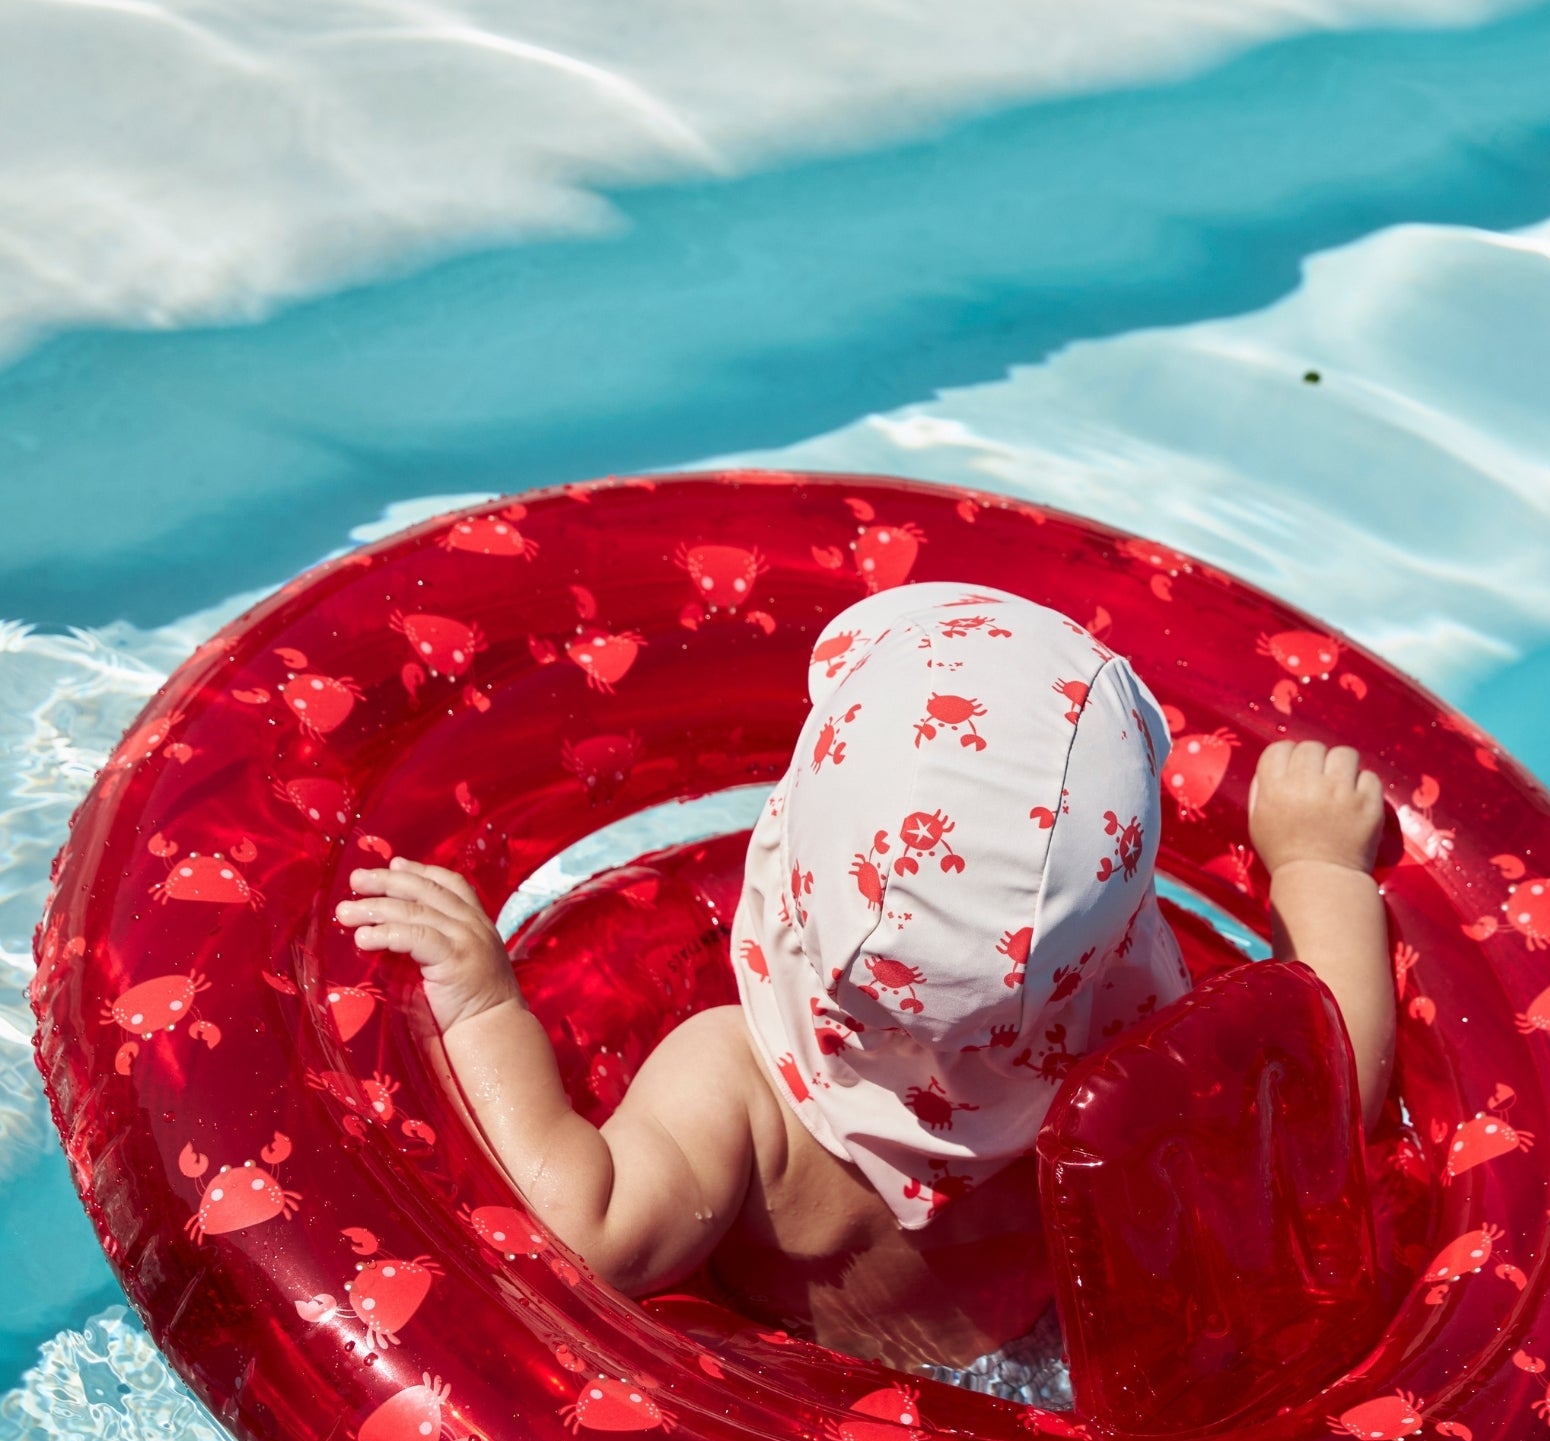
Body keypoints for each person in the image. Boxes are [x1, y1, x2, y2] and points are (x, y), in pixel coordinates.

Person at [333, 583, 1393, 1391]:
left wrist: (484, 1005)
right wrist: (1318, 867)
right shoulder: (1142, 1063)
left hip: (807, 1383)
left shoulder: (734, 1084)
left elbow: (588, 1226)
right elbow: (1329, 1092)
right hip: (1042, 1372)